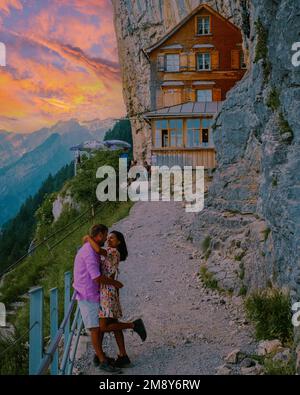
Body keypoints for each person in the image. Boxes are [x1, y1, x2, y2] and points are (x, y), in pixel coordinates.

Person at [85, 230, 147, 368]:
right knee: (114, 324)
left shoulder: (113, 251)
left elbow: (98, 250)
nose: (108, 240)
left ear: (119, 242)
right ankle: (123, 356)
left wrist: (89, 238)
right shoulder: (113, 252)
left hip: (107, 291)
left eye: (112, 238)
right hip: (109, 290)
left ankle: (133, 325)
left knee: (103, 327)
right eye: (108, 238)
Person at [73, 224, 122, 373]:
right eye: (105, 235)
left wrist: (88, 238)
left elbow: (101, 252)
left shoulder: (91, 248)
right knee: (95, 329)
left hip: (91, 293)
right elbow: (96, 277)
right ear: (99, 235)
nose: (106, 238)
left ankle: (100, 357)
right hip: (88, 294)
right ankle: (102, 361)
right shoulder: (90, 252)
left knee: (98, 328)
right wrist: (115, 283)